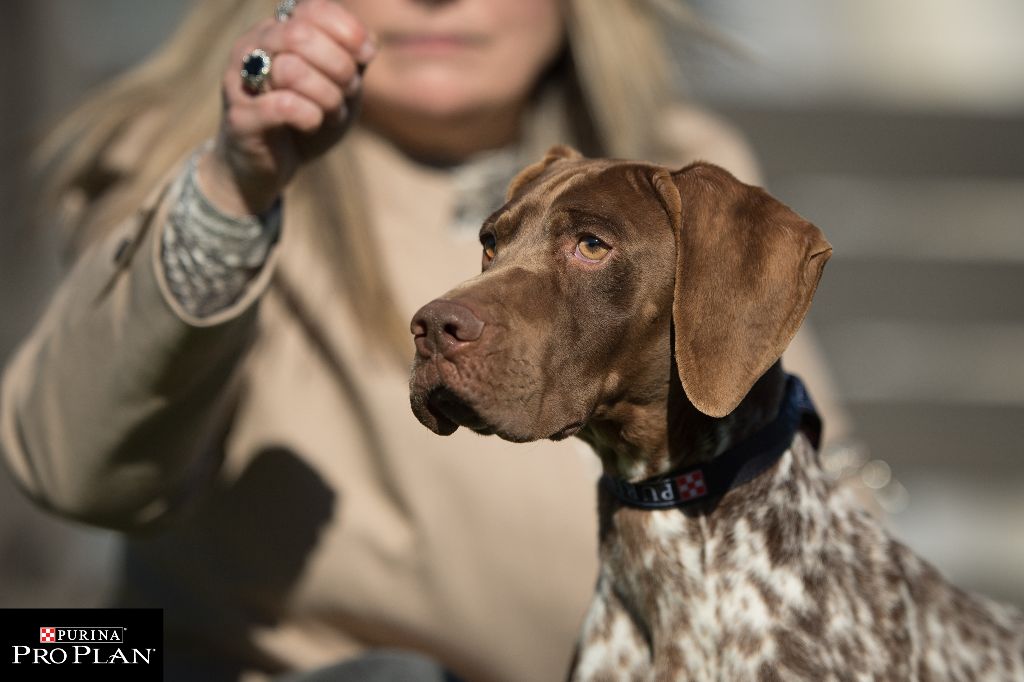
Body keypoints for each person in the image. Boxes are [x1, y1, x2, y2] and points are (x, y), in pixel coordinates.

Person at [0, 0, 850, 680]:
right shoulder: (207, 168)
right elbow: (75, 472)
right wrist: (233, 185)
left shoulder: (683, 171)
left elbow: (812, 505)